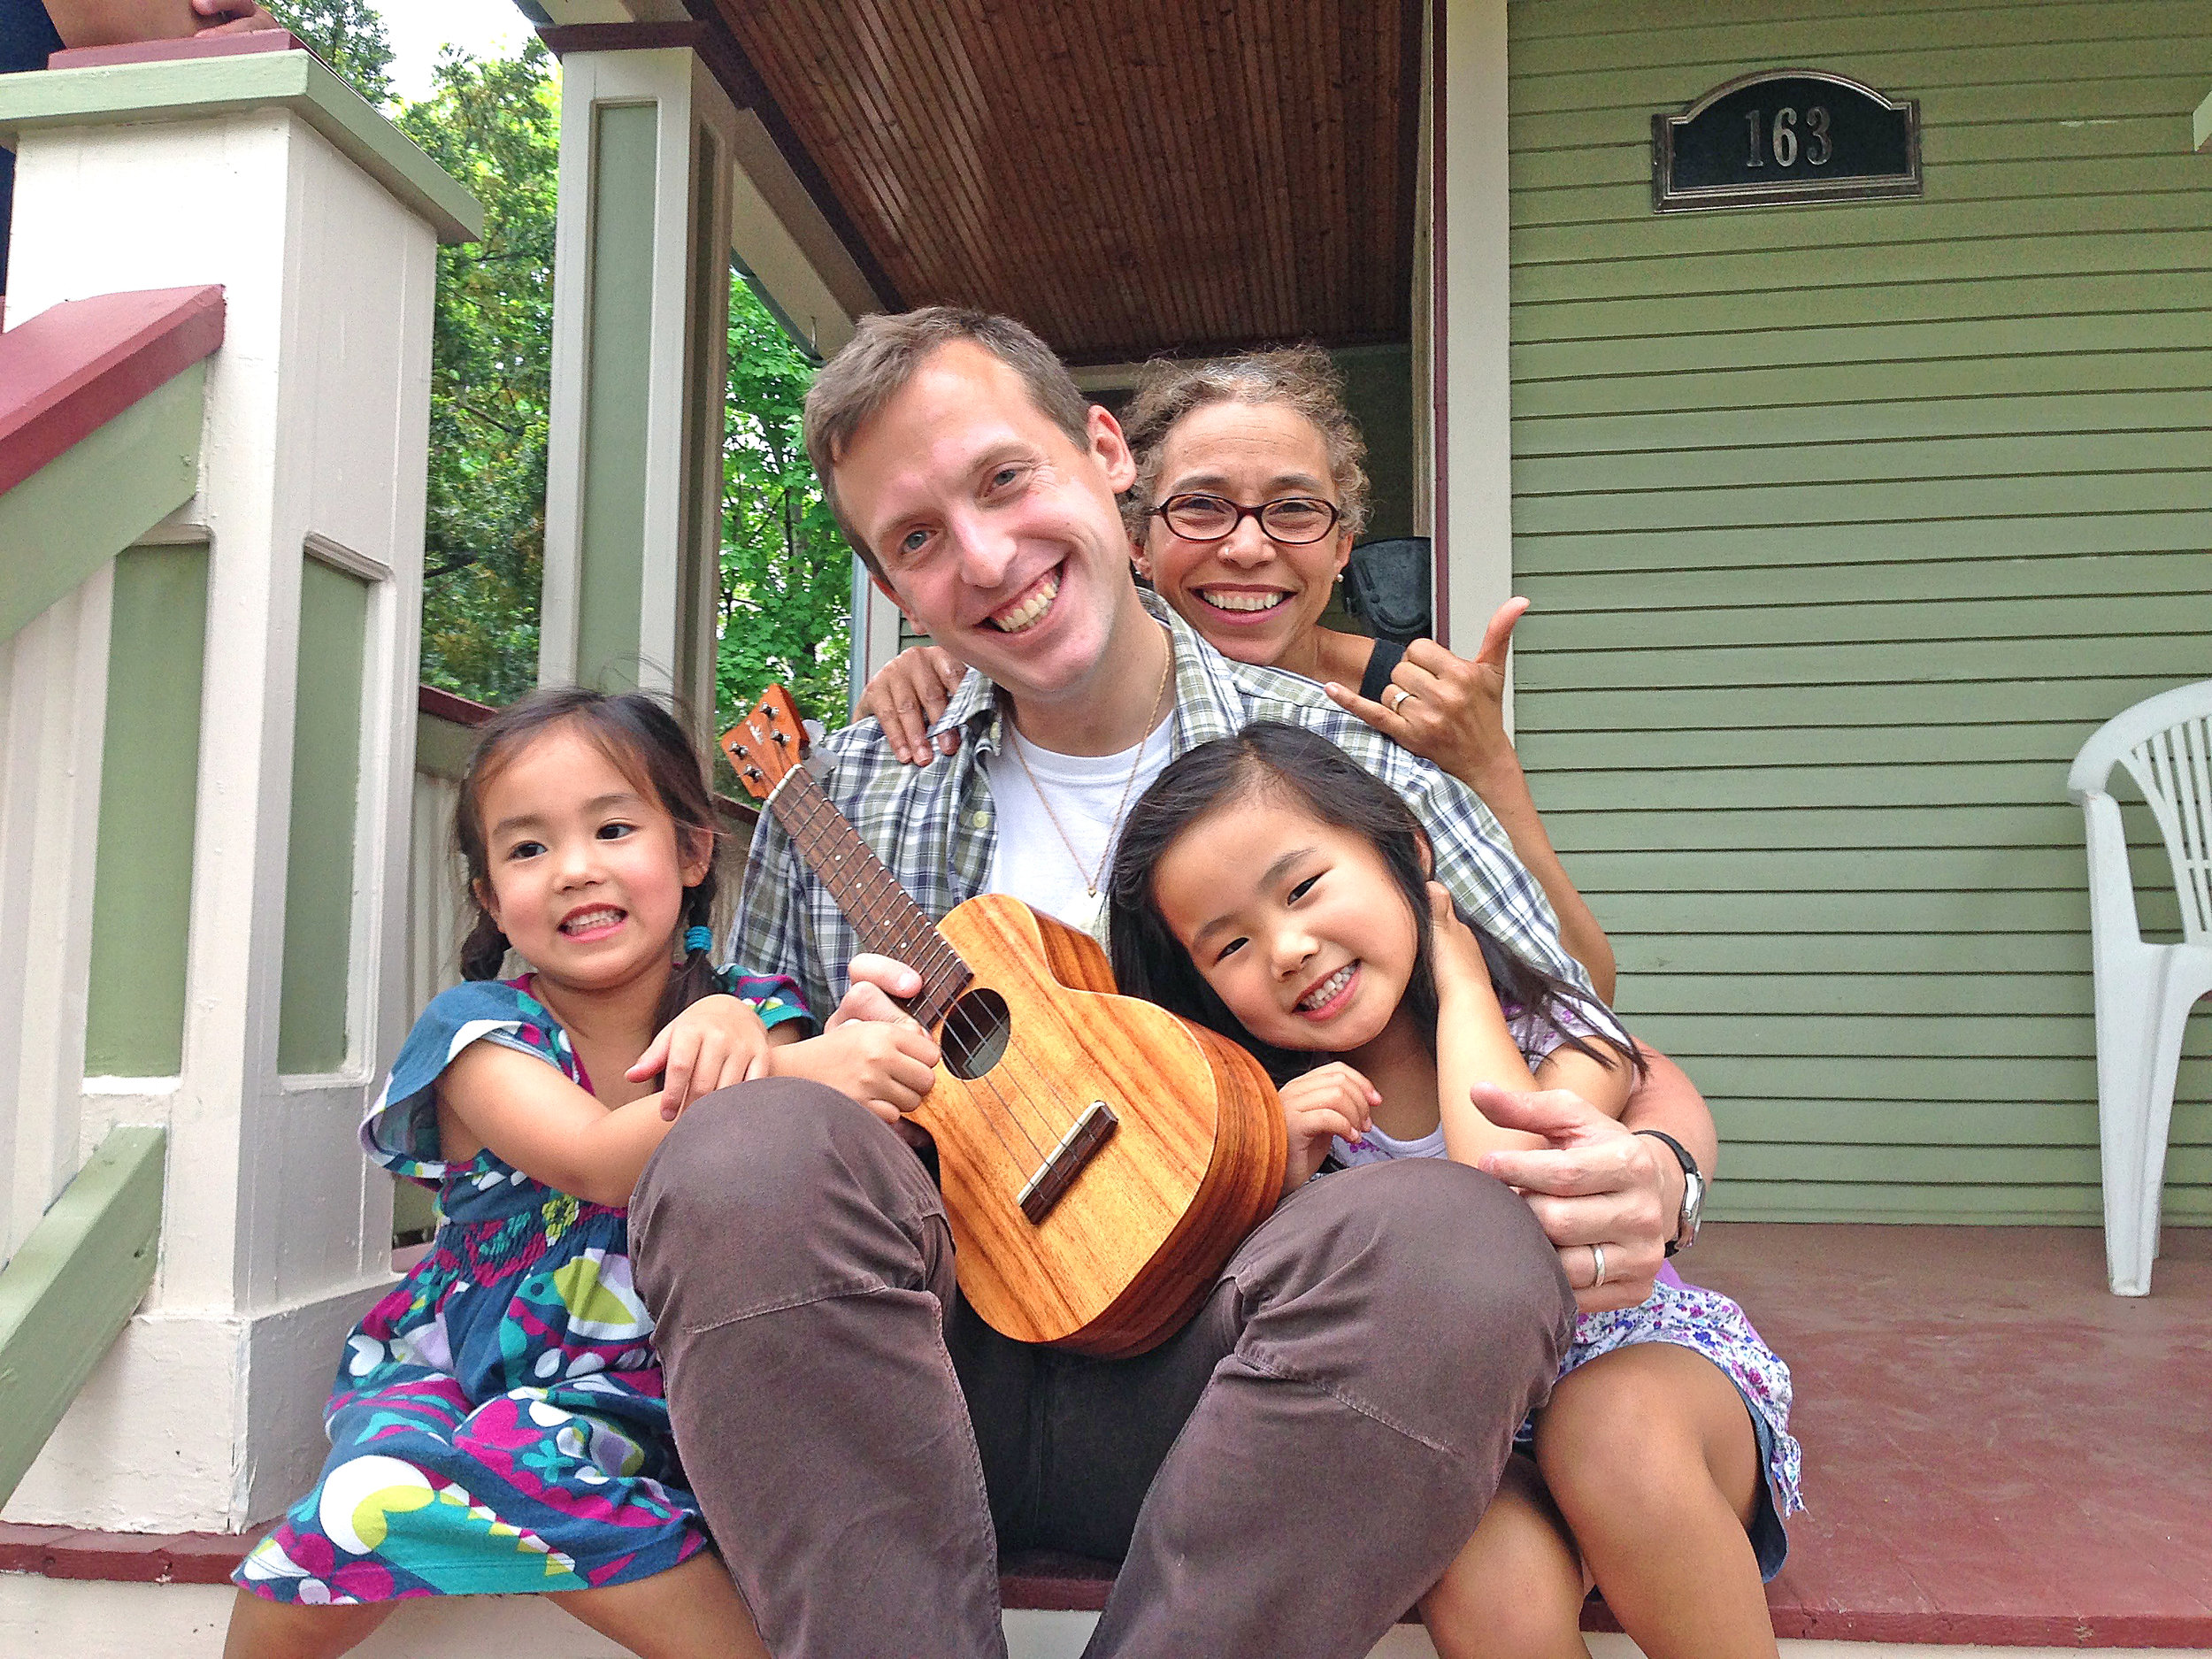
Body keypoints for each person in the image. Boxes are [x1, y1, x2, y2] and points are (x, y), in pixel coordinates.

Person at [634, 307, 1710, 1659]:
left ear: (1102, 454)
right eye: (917, 538)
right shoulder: (845, 793)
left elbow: (1587, 1027)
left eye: (1004, 479)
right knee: (741, 1153)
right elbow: (765, 1071)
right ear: (896, 590)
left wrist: (1661, 1167)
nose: (984, 557)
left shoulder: (1340, 763)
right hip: (913, 1392)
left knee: (1452, 1240)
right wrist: (777, 1048)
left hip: (1249, 1391)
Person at [222, 687, 939, 1659]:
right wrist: (795, 1065)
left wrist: (765, 1035)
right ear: (491, 900)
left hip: (685, 1376)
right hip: (470, 1374)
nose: (573, 869)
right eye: (526, 849)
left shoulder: (756, 1011)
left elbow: (825, 1150)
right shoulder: (478, 1036)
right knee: (372, 1492)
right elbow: (600, 1163)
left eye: (611, 828)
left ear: (691, 853)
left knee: (528, 1456)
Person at [1108, 722, 1800, 1659]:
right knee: (1474, 1568)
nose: (1286, 948)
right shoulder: (1266, 1115)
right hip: (1463, 1434)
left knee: (1607, 1438)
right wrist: (1273, 1160)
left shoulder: (1556, 1029)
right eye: (1228, 946)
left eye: (1305, 888)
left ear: (1406, 852)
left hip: (1635, 1370)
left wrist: (1460, 967)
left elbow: (1496, 1211)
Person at [858, 345, 1616, 998]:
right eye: (1200, 507)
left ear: (1342, 544)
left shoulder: (1399, 718)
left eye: (1292, 511)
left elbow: (1577, 996)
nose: (1248, 549)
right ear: (1138, 541)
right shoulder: (955, 720)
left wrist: (1491, 769)